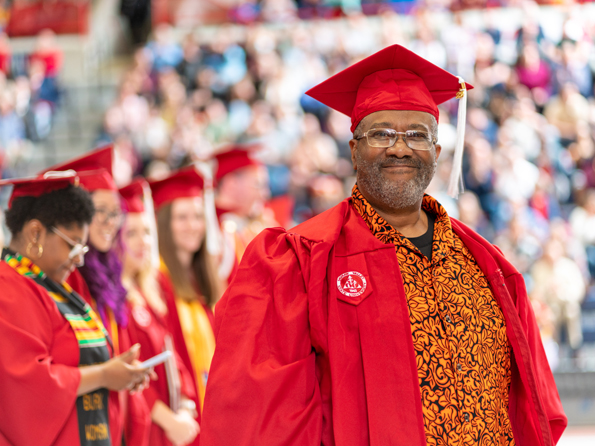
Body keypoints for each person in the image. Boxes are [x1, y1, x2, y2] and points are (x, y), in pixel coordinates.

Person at [200, 45, 567, 445]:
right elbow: (258, 415)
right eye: (382, 133)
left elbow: (531, 409)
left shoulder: (486, 264)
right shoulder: (299, 261)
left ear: (437, 153)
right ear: (355, 151)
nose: (400, 147)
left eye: (417, 135)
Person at [0, 173, 152, 446]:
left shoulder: (53, 286)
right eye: (72, 245)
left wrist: (120, 372)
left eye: (83, 247)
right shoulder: (8, 287)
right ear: (36, 233)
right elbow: (29, 384)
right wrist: (105, 374)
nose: (79, 259)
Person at [39, 146, 151, 445]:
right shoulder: (66, 278)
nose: (110, 222)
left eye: (115, 212)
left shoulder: (109, 274)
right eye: (99, 211)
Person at [119, 178, 200, 446]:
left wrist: (187, 405)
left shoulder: (150, 292)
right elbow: (128, 372)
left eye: (145, 232)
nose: (142, 241)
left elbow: (172, 355)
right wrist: (170, 421)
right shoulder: (117, 301)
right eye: (130, 234)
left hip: (176, 421)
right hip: (152, 428)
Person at [149, 166, 223, 439]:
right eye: (181, 217)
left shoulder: (201, 280)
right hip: (179, 421)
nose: (193, 226)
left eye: (197, 217)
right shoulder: (156, 283)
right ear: (164, 224)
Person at [213, 145, 277, 265]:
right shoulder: (211, 228)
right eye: (258, 185)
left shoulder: (257, 222)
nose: (265, 194)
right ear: (231, 184)